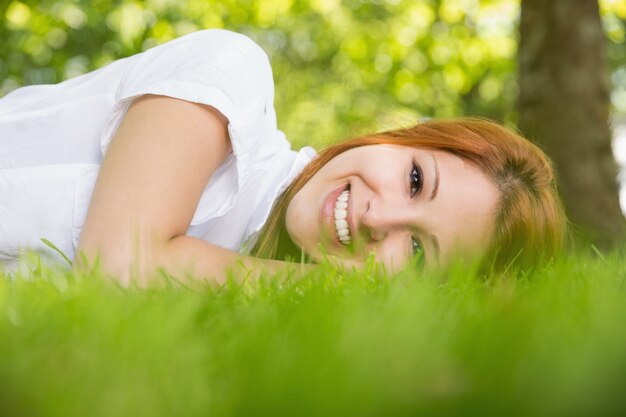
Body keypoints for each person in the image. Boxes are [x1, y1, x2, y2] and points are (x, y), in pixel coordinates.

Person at [0, 29, 566, 285]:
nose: (378, 218)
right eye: (415, 180)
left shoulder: (242, 304)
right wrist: (335, 290)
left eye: (417, 251)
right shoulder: (229, 78)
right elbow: (118, 262)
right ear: (399, 137)